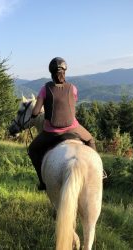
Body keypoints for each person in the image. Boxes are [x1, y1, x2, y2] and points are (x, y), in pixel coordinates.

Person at [29, 57, 97, 191]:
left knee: (32, 150)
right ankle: (99, 172)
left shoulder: (44, 89)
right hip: (73, 127)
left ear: (51, 73)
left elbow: (36, 111)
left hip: (51, 131)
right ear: (65, 71)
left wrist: (34, 115)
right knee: (90, 140)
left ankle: (43, 182)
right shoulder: (73, 88)